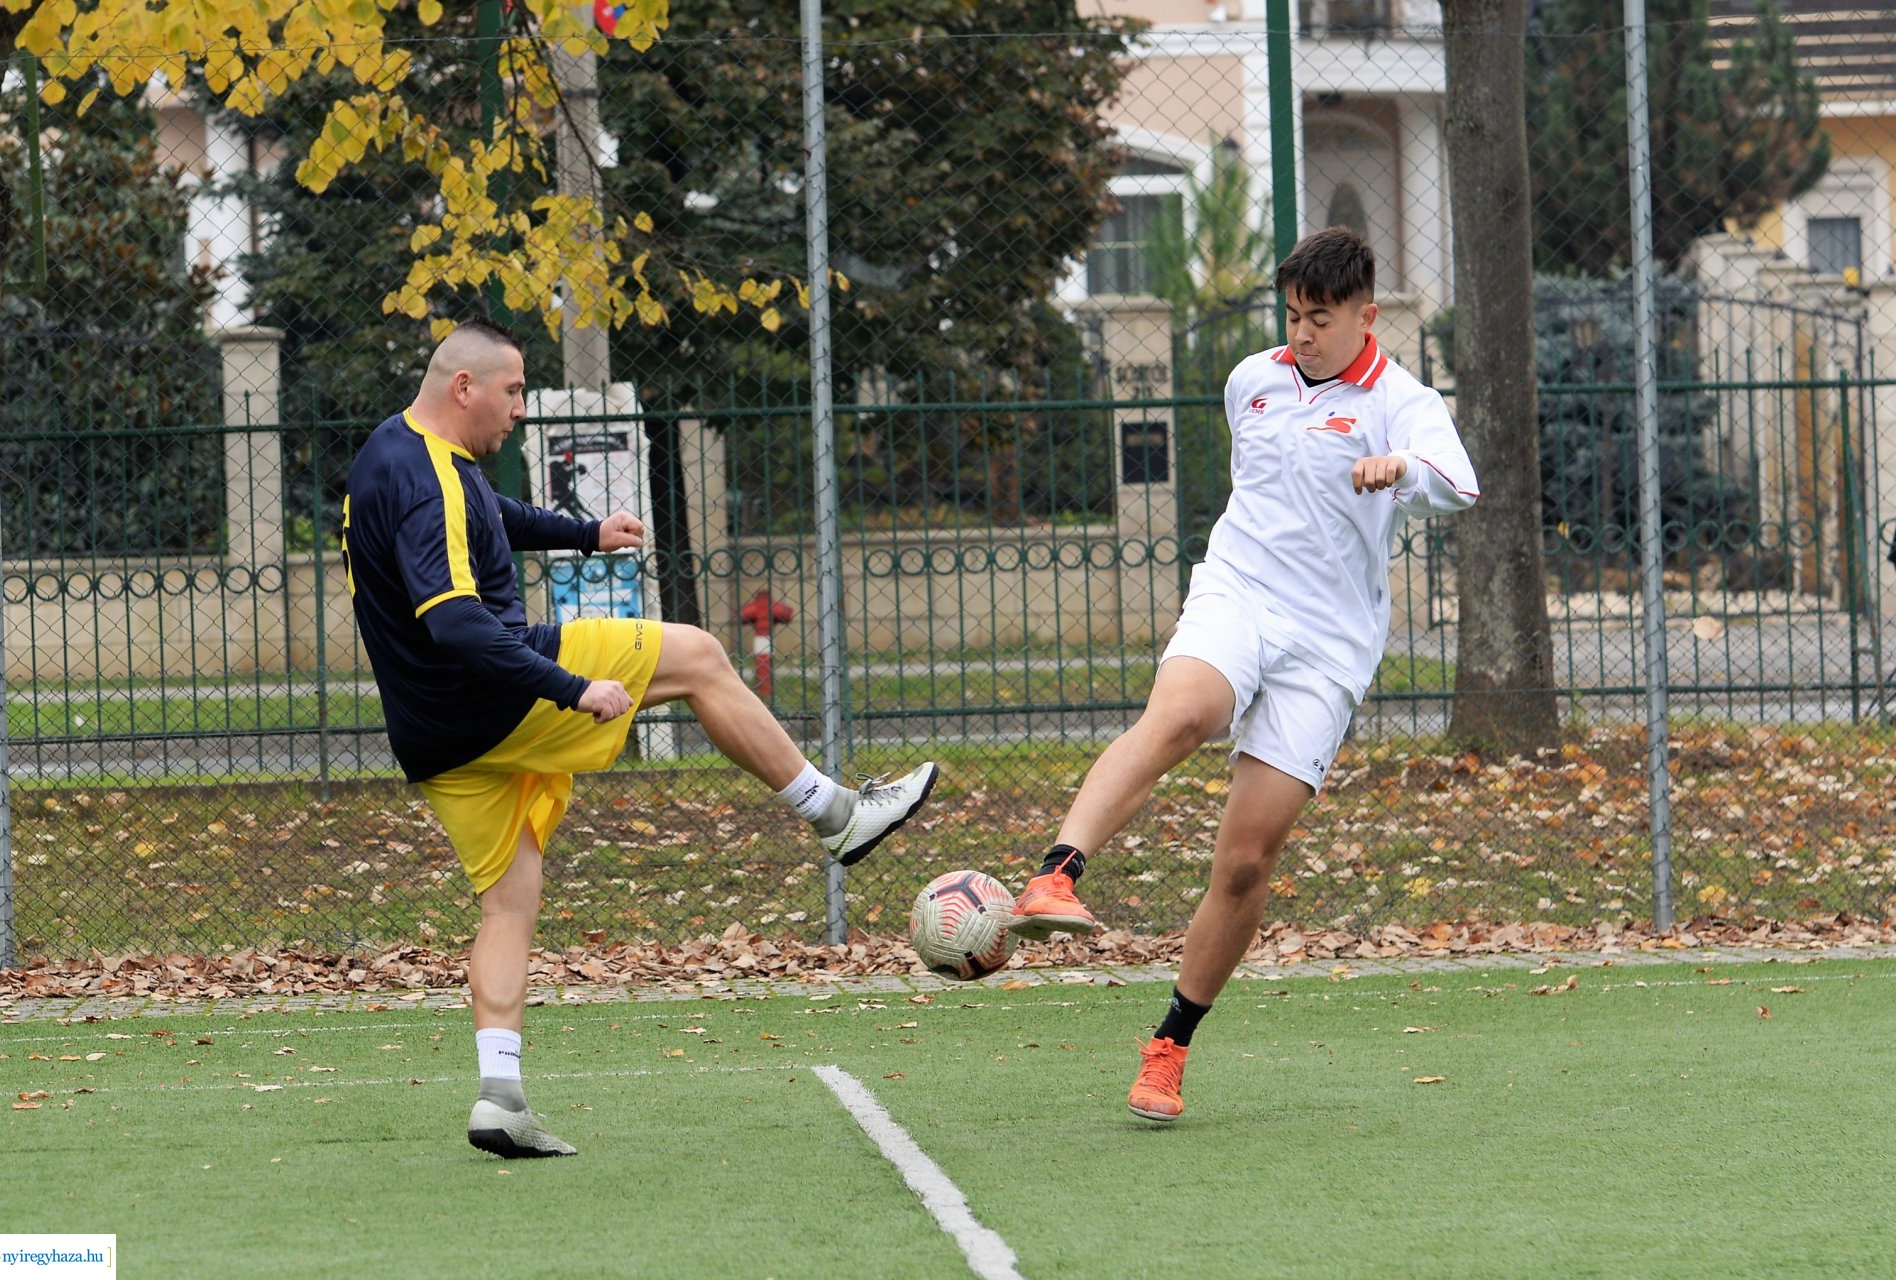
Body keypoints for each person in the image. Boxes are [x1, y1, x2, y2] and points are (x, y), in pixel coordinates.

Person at [341, 318, 938, 1158]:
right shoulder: (431, 480)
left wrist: (582, 533)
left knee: (509, 901)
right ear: (464, 387)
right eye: (511, 392)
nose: (518, 410)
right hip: (493, 693)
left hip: (436, 737)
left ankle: (499, 1098)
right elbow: (460, 626)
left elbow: (483, 517)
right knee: (698, 655)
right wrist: (573, 686)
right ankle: (833, 811)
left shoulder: (390, 454)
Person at [1005, 228, 1478, 1121]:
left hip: (1330, 643)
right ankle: (1056, 875)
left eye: (1322, 320)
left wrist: (1403, 466)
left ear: (1367, 317)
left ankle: (1169, 1046)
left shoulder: (1402, 401)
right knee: (1183, 715)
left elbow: (1460, 483)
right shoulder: (1250, 382)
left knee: (1246, 861)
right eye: (1294, 316)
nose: (1302, 335)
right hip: (1238, 592)